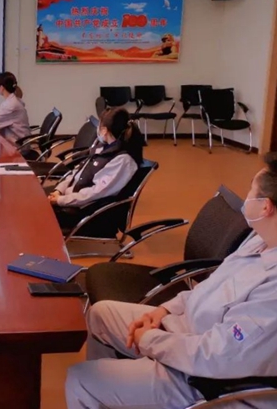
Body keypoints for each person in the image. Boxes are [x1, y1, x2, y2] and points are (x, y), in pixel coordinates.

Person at [66, 154, 277, 409]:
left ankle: (117, 389)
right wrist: (164, 310)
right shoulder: (260, 240)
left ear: (265, 207)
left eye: (251, 191)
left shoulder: (272, 292)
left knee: (80, 380)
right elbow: (211, 287)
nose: (246, 198)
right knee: (100, 315)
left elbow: (218, 356)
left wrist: (149, 340)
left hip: (201, 380)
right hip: (185, 331)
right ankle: (121, 393)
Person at [49, 107, 144, 230]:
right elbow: (77, 172)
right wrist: (59, 190)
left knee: (32, 211)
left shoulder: (123, 160)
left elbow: (96, 193)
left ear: (104, 130)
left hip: (86, 213)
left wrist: (61, 200)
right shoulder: (101, 148)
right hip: (72, 199)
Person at [0, 72, 30, 144]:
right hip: (17, 141)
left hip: (19, 145)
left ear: (1, 88)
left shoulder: (11, 105)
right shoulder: (13, 101)